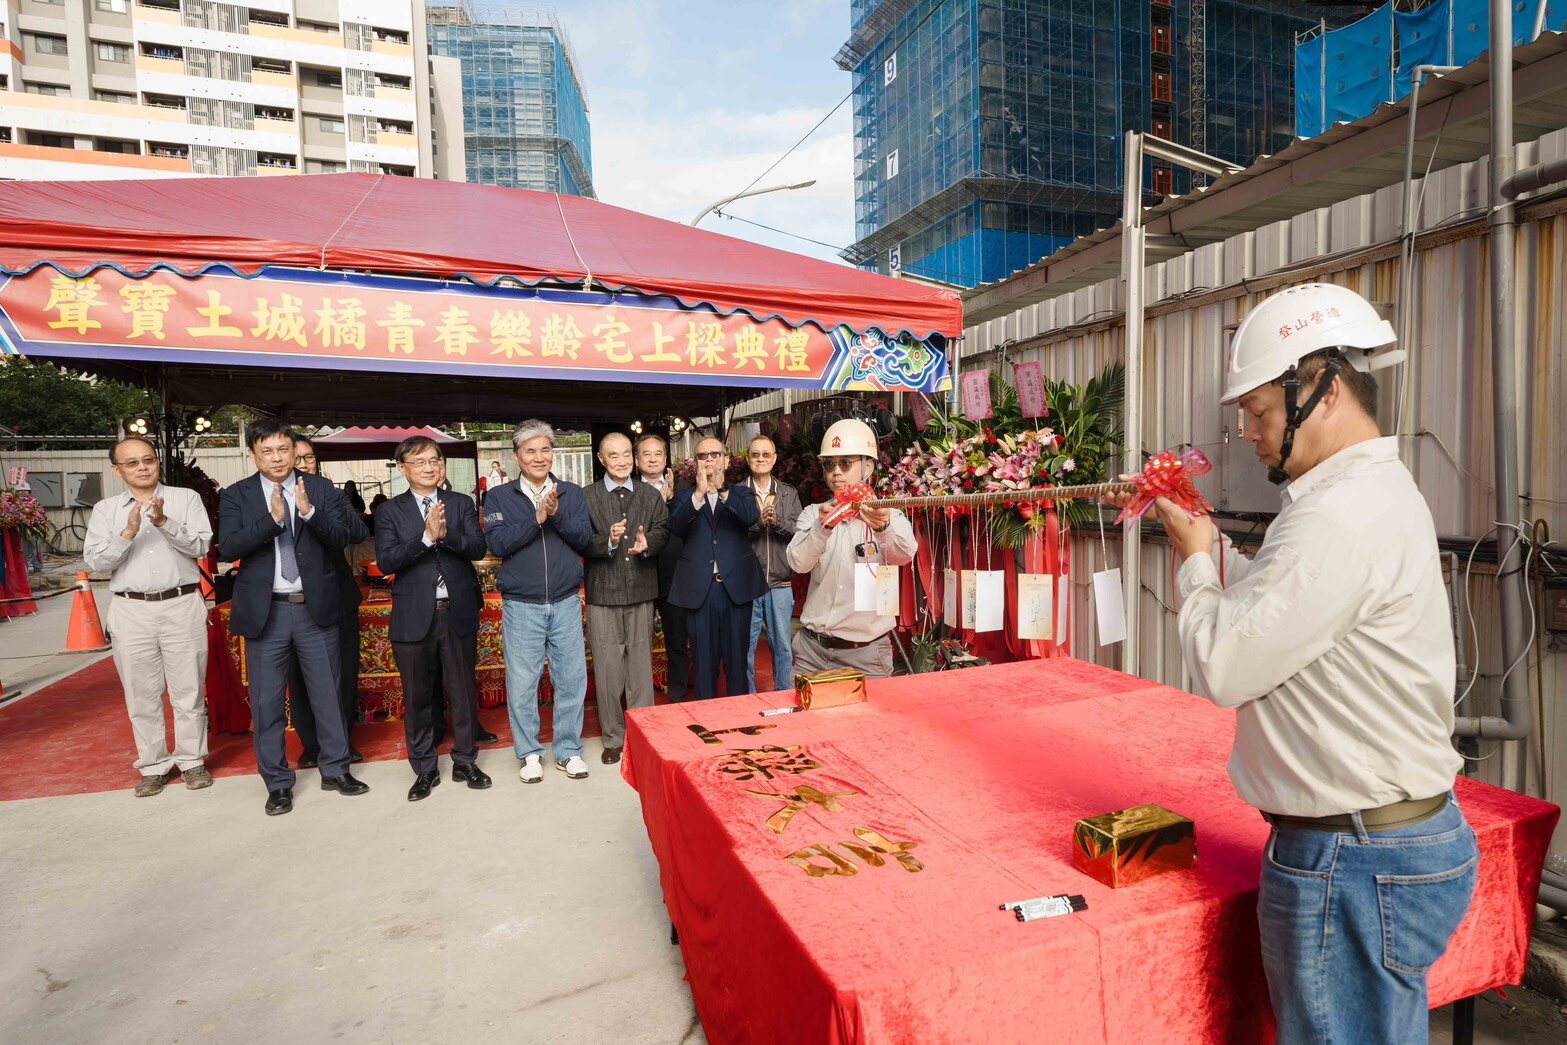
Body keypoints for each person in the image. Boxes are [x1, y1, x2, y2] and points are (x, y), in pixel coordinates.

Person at [1138, 283, 1475, 1043]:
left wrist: (1195, 563)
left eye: (1257, 411)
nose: (1248, 432)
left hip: (1351, 857)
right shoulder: (1351, 498)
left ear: (1319, 388)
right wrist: (1211, 545)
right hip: (1372, 843)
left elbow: (1225, 664)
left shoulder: (1337, 516)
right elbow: (1274, 606)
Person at [218, 419, 369, 815]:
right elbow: (228, 545)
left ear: (293, 449)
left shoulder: (318, 488)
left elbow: (345, 536)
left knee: (328, 695)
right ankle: (278, 782)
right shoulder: (237, 494)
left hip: (313, 608)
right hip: (267, 612)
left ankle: (335, 769)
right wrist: (273, 521)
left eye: (283, 450)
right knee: (267, 704)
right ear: (252, 454)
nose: (277, 458)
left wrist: (310, 513)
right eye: (267, 451)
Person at [83, 438, 214, 797]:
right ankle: (153, 766)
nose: (142, 467)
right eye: (131, 463)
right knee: (141, 693)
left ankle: (192, 761)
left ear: (157, 462)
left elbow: (201, 546)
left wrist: (163, 521)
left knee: (188, 689)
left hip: (181, 602)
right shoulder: (105, 510)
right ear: (117, 470)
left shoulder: (185, 499)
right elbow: (96, 563)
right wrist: (127, 532)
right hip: (130, 608)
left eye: (147, 460)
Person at [375, 436, 492, 800]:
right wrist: (425, 538)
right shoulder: (389, 511)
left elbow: (478, 547)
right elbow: (387, 561)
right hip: (413, 616)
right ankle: (424, 769)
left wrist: (447, 535)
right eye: (419, 461)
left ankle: (465, 760)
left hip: (456, 612)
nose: (429, 467)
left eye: (434, 460)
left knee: (462, 692)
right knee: (419, 697)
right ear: (402, 469)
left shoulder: (459, 504)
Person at [484, 420, 594, 783]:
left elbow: (583, 540)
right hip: (522, 604)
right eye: (530, 451)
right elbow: (498, 545)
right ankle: (529, 752)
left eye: (545, 449)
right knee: (523, 681)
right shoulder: (500, 497)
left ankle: (567, 750)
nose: (539, 457)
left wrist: (557, 513)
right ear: (516, 457)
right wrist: (537, 518)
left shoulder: (572, 493)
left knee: (571, 678)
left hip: (564, 600)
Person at [787, 419, 916, 678]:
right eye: (829, 464)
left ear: (867, 466)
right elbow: (798, 562)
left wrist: (882, 528)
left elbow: (904, 556)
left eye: (845, 463)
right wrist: (822, 527)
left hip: (866, 654)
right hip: (812, 651)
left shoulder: (888, 513)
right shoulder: (813, 514)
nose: (836, 472)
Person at [583, 432, 668, 764]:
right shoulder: (586, 496)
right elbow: (580, 539)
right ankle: (613, 737)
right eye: (612, 456)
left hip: (641, 588)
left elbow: (663, 529)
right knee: (607, 668)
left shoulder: (650, 494)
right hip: (603, 592)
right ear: (602, 460)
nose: (621, 462)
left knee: (639, 666)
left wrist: (649, 545)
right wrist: (607, 541)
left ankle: (644, 732)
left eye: (625, 456)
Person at [287, 434, 369, 767]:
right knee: (300, 676)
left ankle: (342, 740)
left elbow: (358, 533)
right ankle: (311, 744)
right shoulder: (270, 497)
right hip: (291, 601)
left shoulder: (331, 495)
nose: (304, 464)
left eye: (309, 458)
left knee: (341, 674)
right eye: (297, 459)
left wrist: (330, 499)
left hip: (336, 597)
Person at [667, 437, 766, 700]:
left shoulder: (741, 492)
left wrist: (722, 489)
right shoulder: (684, 496)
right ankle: (708, 726)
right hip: (701, 592)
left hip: (736, 590)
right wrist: (699, 494)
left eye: (715, 454)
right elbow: (675, 527)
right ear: (695, 463)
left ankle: (740, 721)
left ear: (725, 459)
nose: (709, 459)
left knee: (737, 663)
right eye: (703, 455)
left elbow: (750, 517)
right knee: (703, 665)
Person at [635, 434, 691, 701]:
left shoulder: (685, 489)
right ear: (637, 461)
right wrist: (656, 503)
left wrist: (668, 502)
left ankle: (678, 698)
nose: (653, 458)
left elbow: (687, 529)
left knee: (676, 641)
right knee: (637, 645)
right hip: (639, 577)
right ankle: (640, 700)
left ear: (666, 459)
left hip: (674, 579)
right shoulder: (629, 490)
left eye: (658, 453)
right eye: (647, 454)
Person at [743, 435, 801, 692]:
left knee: (783, 647)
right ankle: (746, 698)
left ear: (774, 458)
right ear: (748, 459)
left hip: (780, 582)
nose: (761, 459)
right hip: (746, 585)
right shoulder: (737, 493)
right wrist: (758, 523)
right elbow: (730, 536)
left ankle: (783, 695)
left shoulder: (788, 493)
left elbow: (801, 533)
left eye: (766, 455)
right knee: (745, 647)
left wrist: (776, 521)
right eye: (755, 455)